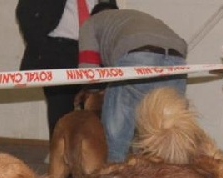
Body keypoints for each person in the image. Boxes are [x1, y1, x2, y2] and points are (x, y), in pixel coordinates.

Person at [78, 2, 188, 163]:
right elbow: (182, 44)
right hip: (177, 60)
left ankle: (115, 175)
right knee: (168, 135)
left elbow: (89, 73)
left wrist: (95, 93)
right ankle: (173, 176)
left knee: (116, 138)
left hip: (138, 57)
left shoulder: (90, 23)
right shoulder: (132, 18)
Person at [16, 0, 97, 140]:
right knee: (60, 111)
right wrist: (41, 47)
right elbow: (24, 11)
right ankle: (58, 150)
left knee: (95, 110)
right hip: (58, 49)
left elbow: (110, 12)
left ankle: (89, 150)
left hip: (94, 49)